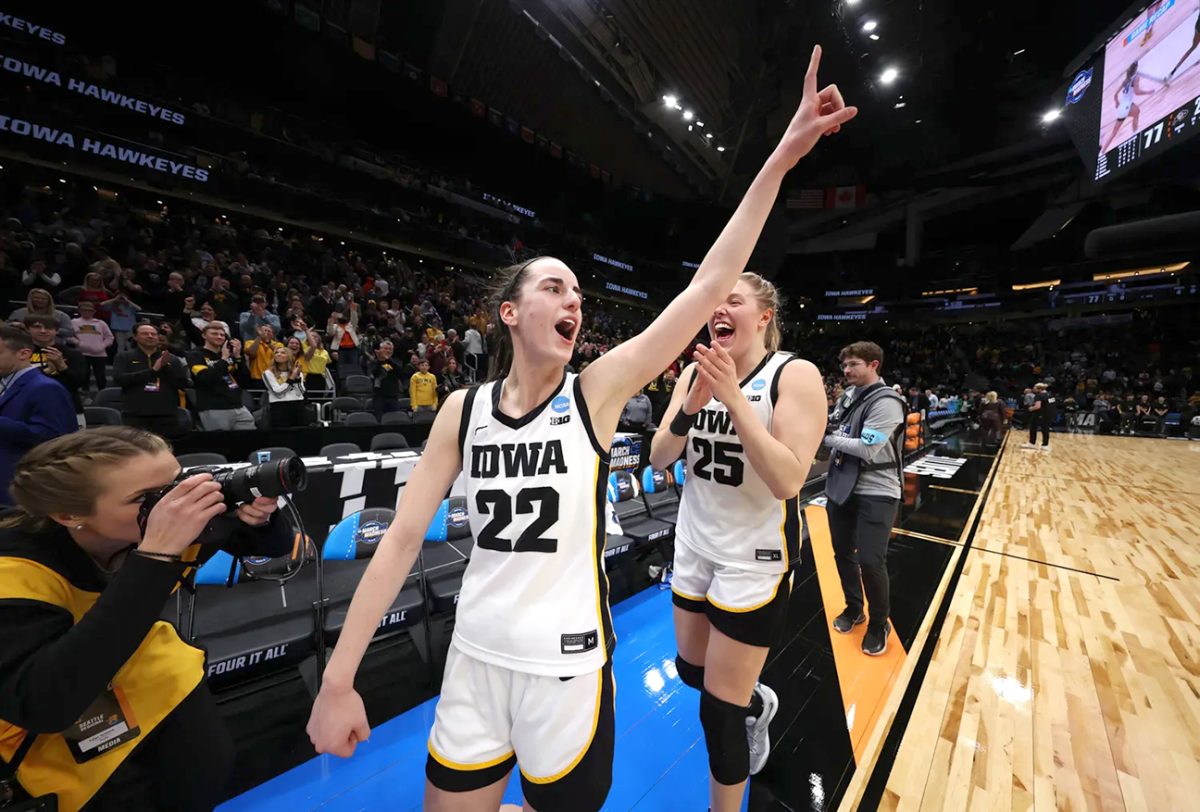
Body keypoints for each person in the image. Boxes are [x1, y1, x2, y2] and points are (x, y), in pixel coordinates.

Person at [305, 46, 855, 812]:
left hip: (567, 668)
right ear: (510, 313)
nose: (575, 301)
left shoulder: (595, 393)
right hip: (474, 658)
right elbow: (400, 541)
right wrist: (338, 680)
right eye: (554, 286)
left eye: (579, 292)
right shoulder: (463, 412)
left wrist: (785, 154)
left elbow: (705, 284)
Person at [0, 427, 292, 810]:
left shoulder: (165, 518)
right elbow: (45, 703)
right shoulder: (14, 569)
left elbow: (270, 546)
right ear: (68, 515)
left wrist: (259, 519)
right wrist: (156, 555)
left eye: (176, 484)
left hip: (154, 687)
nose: (173, 505)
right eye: (145, 499)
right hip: (57, 730)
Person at [648, 272, 827, 808]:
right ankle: (755, 703)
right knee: (688, 670)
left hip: (754, 560)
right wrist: (690, 404)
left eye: (735, 301)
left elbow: (788, 480)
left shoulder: (794, 375)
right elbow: (660, 457)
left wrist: (733, 398)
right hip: (695, 548)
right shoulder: (693, 373)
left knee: (717, 714)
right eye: (715, 302)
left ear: (764, 316)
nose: (719, 310)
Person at [823, 342, 907, 657]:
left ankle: (878, 623)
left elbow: (866, 448)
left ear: (874, 365)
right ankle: (854, 608)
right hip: (843, 485)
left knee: (871, 561)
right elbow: (837, 426)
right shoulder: (849, 396)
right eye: (844, 365)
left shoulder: (888, 402)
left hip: (878, 489)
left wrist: (826, 437)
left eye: (853, 365)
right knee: (842, 552)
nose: (846, 371)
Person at [0, 325, 77, 505]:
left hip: (22, 486)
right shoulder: (7, 383)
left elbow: (53, 439)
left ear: (23, 354)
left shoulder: (45, 388)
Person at [112, 324, 189, 438]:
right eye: (145, 333)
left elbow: (182, 383)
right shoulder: (124, 356)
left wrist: (166, 368)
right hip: (135, 414)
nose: (150, 336)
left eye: (153, 334)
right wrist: (152, 371)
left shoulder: (171, 358)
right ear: (135, 337)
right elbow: (120, 379)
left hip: (166, 414)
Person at [187, 323, 256, 431]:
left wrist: (238, 357)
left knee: (250, 440)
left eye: (222, 335)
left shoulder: (230, 355)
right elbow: (205, 378)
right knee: (221, 444)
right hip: (214, 408)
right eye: (214, 334)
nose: (219, 337)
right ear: (204, 336)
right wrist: (223, 360)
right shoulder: (195, 355)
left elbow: (245, 381)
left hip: (238, 407)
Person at [26, 315, 88, 424]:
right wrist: (46, 372)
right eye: (37, 327)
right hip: (28, 409)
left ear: (56, 331)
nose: (43, 331)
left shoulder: (73, 354)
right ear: (27, 329)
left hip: (68, 408)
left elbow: (79, 383)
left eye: (49, 328)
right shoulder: (20, 353)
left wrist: (62, 367)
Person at [1100, 61, 1165, 154]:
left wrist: (1117, 103)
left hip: (1122, 108)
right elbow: (1137, 92)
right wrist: (1148, 92)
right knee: (1137, 112)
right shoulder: (1136, 78)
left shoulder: (1126, 80)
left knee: (1114, 133)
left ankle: (1102, 152)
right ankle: (1135, 134)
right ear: (1136, 68)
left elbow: (1115, 95)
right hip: (1126, 107)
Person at [262, 346, 310, 428]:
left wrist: (297, 379)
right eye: (276, 353)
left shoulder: (297, 372)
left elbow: (300, 393)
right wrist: (291, 378)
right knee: (282, 437)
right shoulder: (268, 373)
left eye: (282, 353)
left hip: (298, 406)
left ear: (289, 356)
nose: (278, 354)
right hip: (279, 407)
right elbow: (278, 393)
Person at [71, 301, 114, 390]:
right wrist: (78, 343)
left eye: (89, 310)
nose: (87, 312)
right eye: (84, 310)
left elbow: (109, 337)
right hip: (82, 353)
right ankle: (85, 393)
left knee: (100, 375)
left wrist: (102, 346)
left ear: (94, 311)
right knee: (84, 374)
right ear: (79, 310)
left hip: (99, 353)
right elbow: (68, 336)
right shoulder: (74, 322)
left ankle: (102, 393)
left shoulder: (100, 323)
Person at [9, 288, 75, 345]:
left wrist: (51, 329)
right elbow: (7, 326)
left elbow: (70, 332)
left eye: (43, 299)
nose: (40, 300)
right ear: (31, 299)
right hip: (24, 345)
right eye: (36, 298)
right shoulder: (19, 313)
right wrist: (17, 325)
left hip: (54, 346)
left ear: (49, 300)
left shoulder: (61, 315)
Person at [1166, 1, 1200, 83]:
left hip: (1197, 26)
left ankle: (1172, 72)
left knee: (1192, 47)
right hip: (1199, 28)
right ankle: (1172, 71)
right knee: (1193, 47)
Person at [370, 340, 405, 419]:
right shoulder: (374, 362)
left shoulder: (396, 361)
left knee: (395, 419)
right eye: (385, 349)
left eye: (390, 349)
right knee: (379, 419)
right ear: (380, 349)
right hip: (379, 396)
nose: (388, 351)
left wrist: (388, 360)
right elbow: (374, 373)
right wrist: (381, 360)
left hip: (393, 396)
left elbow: (400, 372)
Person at [244, 324, 283, 389]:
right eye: (264, 331)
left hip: (274, 379)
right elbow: (251, 354)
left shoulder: (279, 344)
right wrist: (259, 337)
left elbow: (281, 356)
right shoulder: (250, 342)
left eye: (269, 331)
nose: (266, 333)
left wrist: (269, 343)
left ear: (273, 334)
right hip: (257, 380)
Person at [1023, 381, 1057, 450]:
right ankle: (1045, 445)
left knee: (1033, 427)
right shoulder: (1050, 394)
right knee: (1045, 429)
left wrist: (1030, 409)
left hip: (1040, 414)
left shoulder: (1039, 396)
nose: (1033, 389)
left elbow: (1038, 406)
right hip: (1049, 414)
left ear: (1039, 389)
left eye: (1034, 388)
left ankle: (1032, 443)